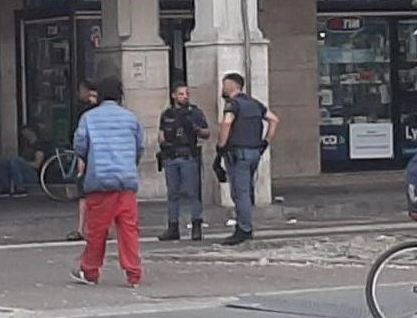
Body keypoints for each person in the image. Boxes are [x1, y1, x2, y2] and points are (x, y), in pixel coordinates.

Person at [69, 77, 145, 288]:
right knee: (128, 229)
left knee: (97, 230)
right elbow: (139, 147)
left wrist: (90, 160)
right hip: (126, 180)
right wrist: (129, 164)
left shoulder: (89, 118)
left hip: (100, 180)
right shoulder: (131, 118)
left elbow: (80, 146)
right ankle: (134, 273)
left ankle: (90, 271)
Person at [218, 72, 279, 246]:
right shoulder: (254, 103)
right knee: (245, 190)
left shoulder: (233, 104)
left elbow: (227, 123)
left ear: (231, 86)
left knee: (240, 192)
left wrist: (221, 145)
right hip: (254, 152)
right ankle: (243, 225)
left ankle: (244, 229)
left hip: (238, 154)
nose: (223, 89)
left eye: (224, 85)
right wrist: (265, 142)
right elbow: (274, 120)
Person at [157, 82, 209, 242]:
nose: (184, 97)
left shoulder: (194, 112)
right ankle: (173, 227)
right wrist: (163, 144)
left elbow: (206, 133)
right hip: (171, 156)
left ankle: (196, 225)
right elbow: (161, 134)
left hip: (188, 156)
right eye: (181, 94)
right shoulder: (167, 114)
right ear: (173, 95)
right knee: (173, 193)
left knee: (193, 193)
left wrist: (197, 130)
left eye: (186, 94)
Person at [66, 80, 99, 242]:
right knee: (85, 195)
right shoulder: (86, 112)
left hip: (94, 157)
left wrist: (81, 155)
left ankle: (90, 228)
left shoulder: (90, 114)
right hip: (92, 157)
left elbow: (81, 139)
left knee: (90, 195)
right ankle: (83, 228)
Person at [0, 126, 51, 197]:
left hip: (34, 175)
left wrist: (22, 163)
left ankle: (20, 188)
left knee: (15, 160)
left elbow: (37, 164)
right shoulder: (26, 146)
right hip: (22, 173)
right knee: (1, 161)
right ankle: (5, 187)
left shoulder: (40, 146)